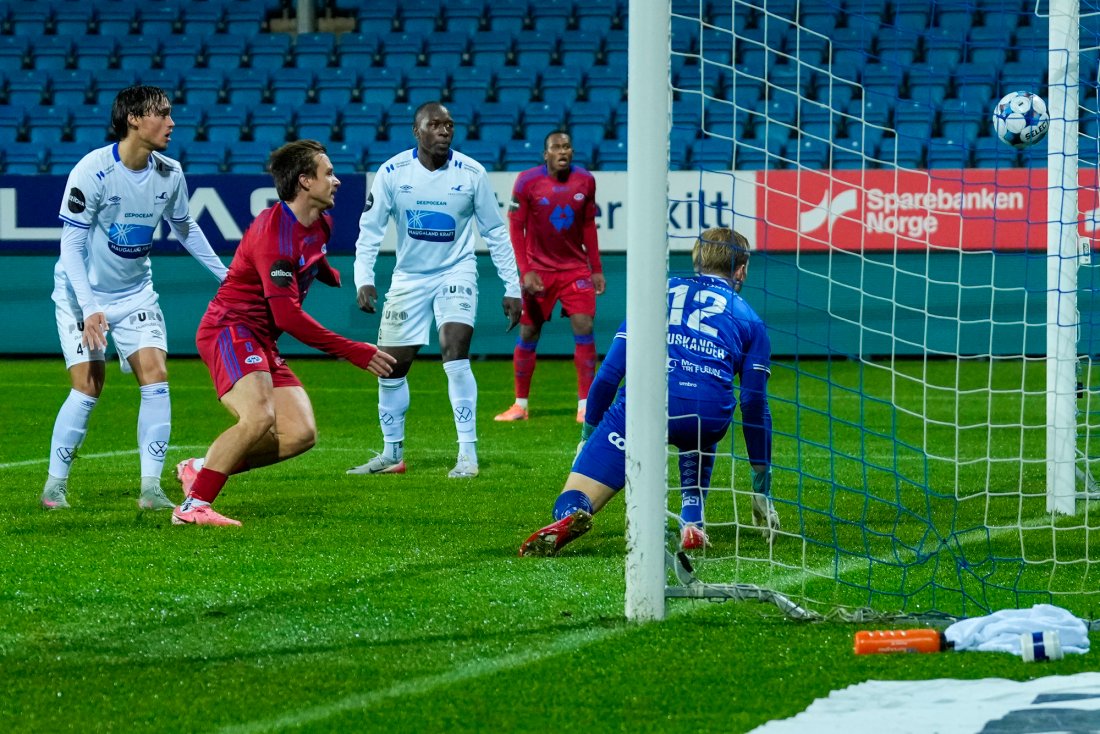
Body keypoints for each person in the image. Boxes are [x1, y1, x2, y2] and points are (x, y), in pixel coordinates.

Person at [172, 140, 396, 526]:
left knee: (300, 434)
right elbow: (288, 316)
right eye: (328, 173)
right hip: (231, 328)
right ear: (305, 181)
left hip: (260, 336)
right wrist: (353, 351)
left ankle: (201, 467)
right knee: (258, 418)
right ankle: (193, 507)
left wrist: (324, 272)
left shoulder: (321, 220)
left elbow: (311, 253)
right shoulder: (274, 238)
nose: (337, 181)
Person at [519, 227, 779, 556]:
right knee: (702, 408)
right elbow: (754, 403)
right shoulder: (751, 320)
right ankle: (692, 521)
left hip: (645, 408)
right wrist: (760, 484)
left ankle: (572, 513)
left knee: (575, 494)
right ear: (741, 270)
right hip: (707, 415)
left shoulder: (657, 294)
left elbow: (610, 373)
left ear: (696, 260)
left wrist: (588, 434)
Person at [41, 85, 228, 512]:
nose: (172, 122)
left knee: (156, 374)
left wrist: (227, 275)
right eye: (162, 114)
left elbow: (185, 227)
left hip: (135, 292)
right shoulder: (92, 171)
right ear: (134, 119)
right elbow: (70, 246)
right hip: (80, 295)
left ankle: (151, 489)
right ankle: (54, 486)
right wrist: (89, 310)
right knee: (88, 386)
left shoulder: (170, 172)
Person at [347, 101, 522, 479]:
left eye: (450, 125)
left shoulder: (472, 173)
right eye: (436, 124)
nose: (445, 131)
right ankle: (392, 454)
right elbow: (371, 229)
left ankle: (467, 455)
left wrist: (513, 286)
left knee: (454, 352)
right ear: (417, 131)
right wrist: (364, 277)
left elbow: (495, 232)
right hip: (409, 278)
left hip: (456, 272)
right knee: (391, 367)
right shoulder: (393, 172)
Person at [493, 130, 604, 424]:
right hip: (538, 271)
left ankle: (585, 405)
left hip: (575, 270)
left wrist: (596, 269)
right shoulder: (527, 181)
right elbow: (515, 228)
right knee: (529, 332)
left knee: (584, 326)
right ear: (546, 154)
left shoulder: (586, 181)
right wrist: (525, 270)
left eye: (567, 146)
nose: (563, 151)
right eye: (556, 147)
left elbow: (589, 227)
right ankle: (520, 406)